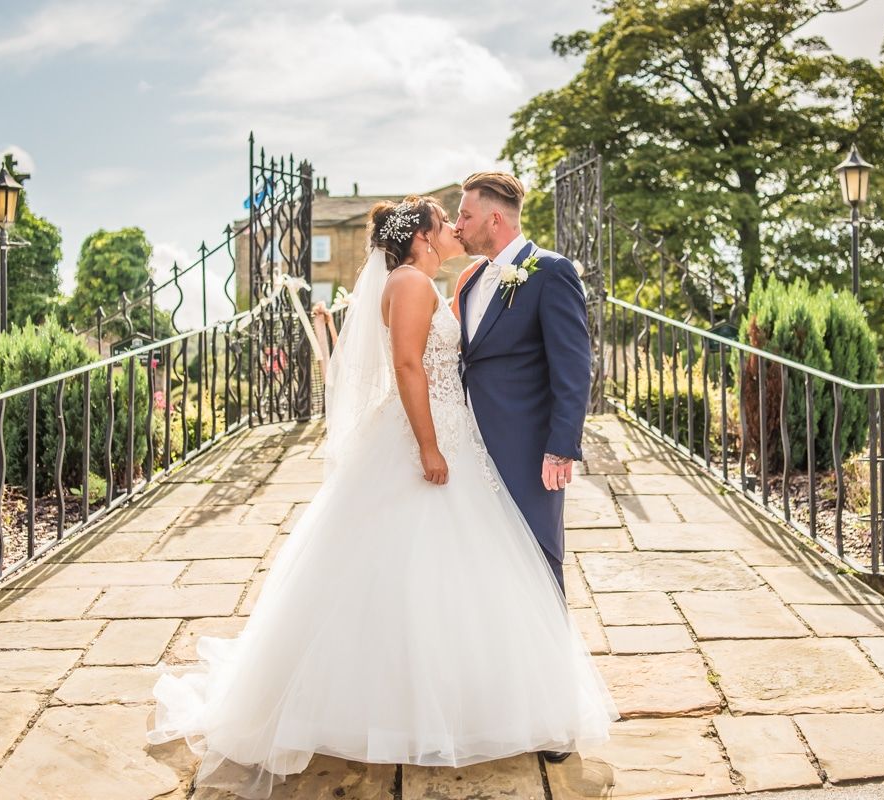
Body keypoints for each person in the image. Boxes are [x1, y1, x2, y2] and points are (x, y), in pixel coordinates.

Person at [146, 195, 617, 799]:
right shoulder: (415, 284)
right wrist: (428, 445)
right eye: (446, 220)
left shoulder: (443, 280)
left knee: (458, 572)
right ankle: (428, 706)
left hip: (468, 437)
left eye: (462, 217)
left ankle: (465, 694)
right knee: (422, 571)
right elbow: (409, 367)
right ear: (422, 236)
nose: (455, 226)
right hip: (431, 438)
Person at [454, 172, 591, 594]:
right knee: (481, 560)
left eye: (464, 215)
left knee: (536, 556)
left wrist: (561, 446)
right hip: (468, 448)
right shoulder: (473, 280)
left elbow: (574, 366)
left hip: (528, 452)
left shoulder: (551, 272)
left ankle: (548, 657)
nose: (456, 225)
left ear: (494, 219)